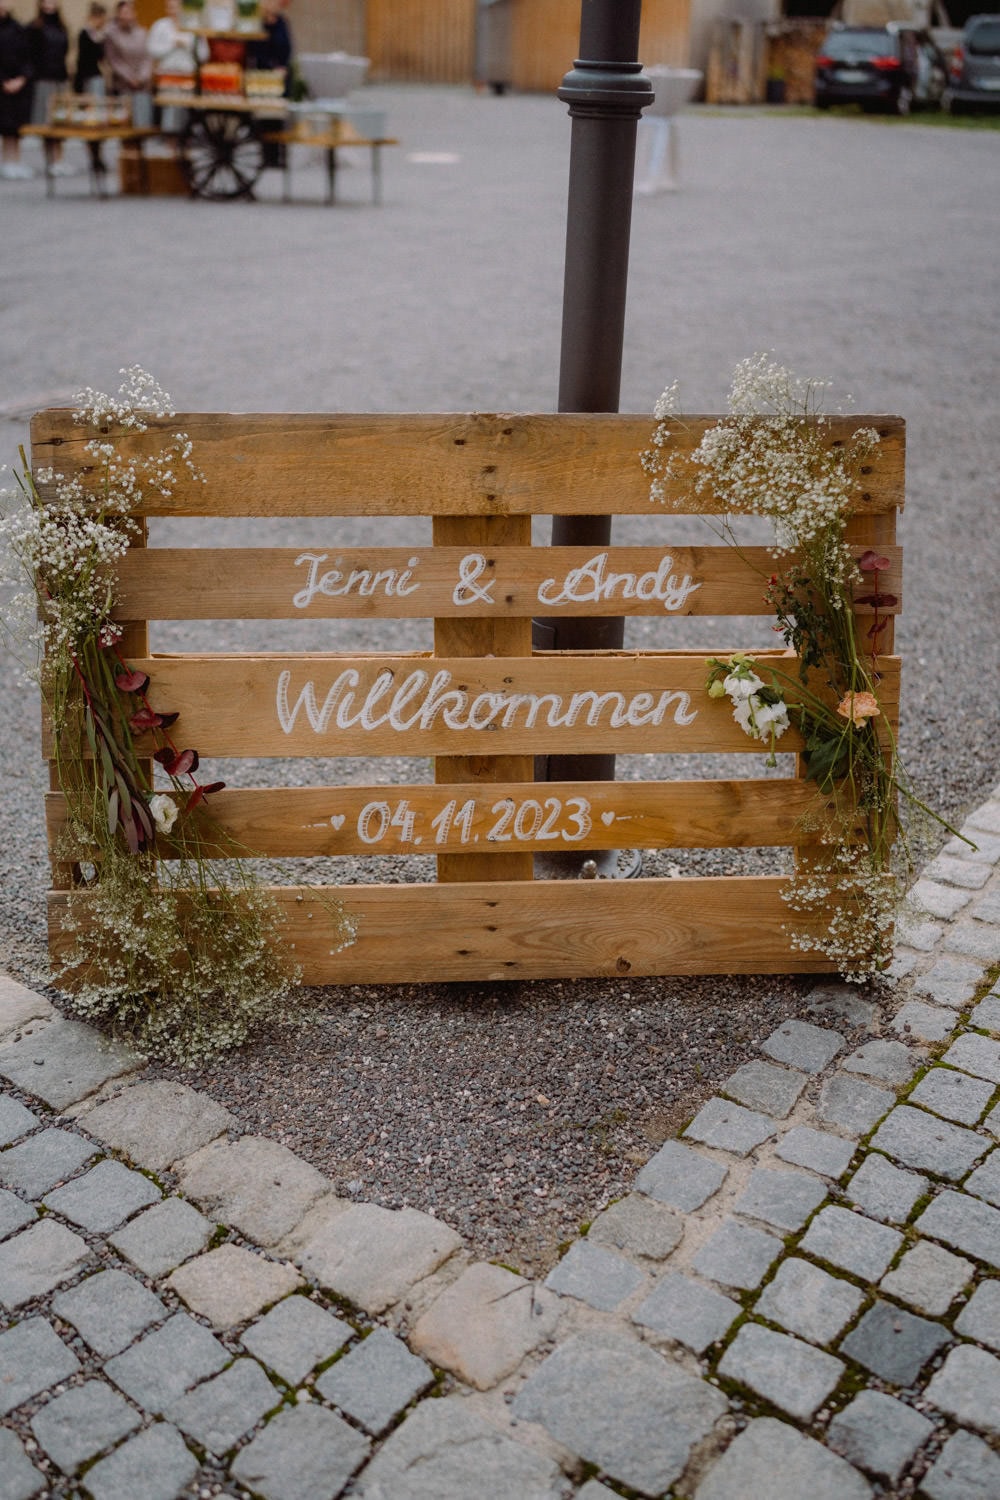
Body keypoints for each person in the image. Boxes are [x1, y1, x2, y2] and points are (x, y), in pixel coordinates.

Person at [27, 0, 70, 170]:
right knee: (47, 121)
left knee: (60, 119)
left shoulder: (61, 27)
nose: (50, 5)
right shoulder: (35, 27)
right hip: (43, 78)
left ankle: (60, 159)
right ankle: (50, 160)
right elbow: (31, 54)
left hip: (60, 77)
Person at [148, 0, 203, 131]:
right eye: (170, 7)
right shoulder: (160, 25)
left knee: (186, 108)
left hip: (188, 75)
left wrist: (188, 46)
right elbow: (151, 50)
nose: (173, 10)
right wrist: (172, 45)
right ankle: (170, 138)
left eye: (176, 6)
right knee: (170, 108)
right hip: (168, 75)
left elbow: (203, 54)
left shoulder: (193, 25)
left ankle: (186, 136)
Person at [103, 0, 150, 124]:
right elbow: (114, 60)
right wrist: (130, 78)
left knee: (142, 121)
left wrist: (141, 77)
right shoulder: (112, 34)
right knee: (124, 122)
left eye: (129, 12)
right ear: (118, 14)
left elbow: (147, 58)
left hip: (142, 85)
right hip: (123, 85)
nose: (126, 16)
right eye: (123, 13)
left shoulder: (142, 33)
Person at [0, 2, 33, 178]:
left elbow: (28, 57)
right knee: (5, 125)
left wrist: (22, 78)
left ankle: (16, 160)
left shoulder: (18, 29)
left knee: (16, 126)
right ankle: (6, 161)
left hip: (18, 83)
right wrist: (3, 81)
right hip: (3, 84)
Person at [73, 1, 107, 96]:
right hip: (86, 75)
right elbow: (84, 58)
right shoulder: (84, 34)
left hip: (95, 74)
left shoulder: (99, 35)